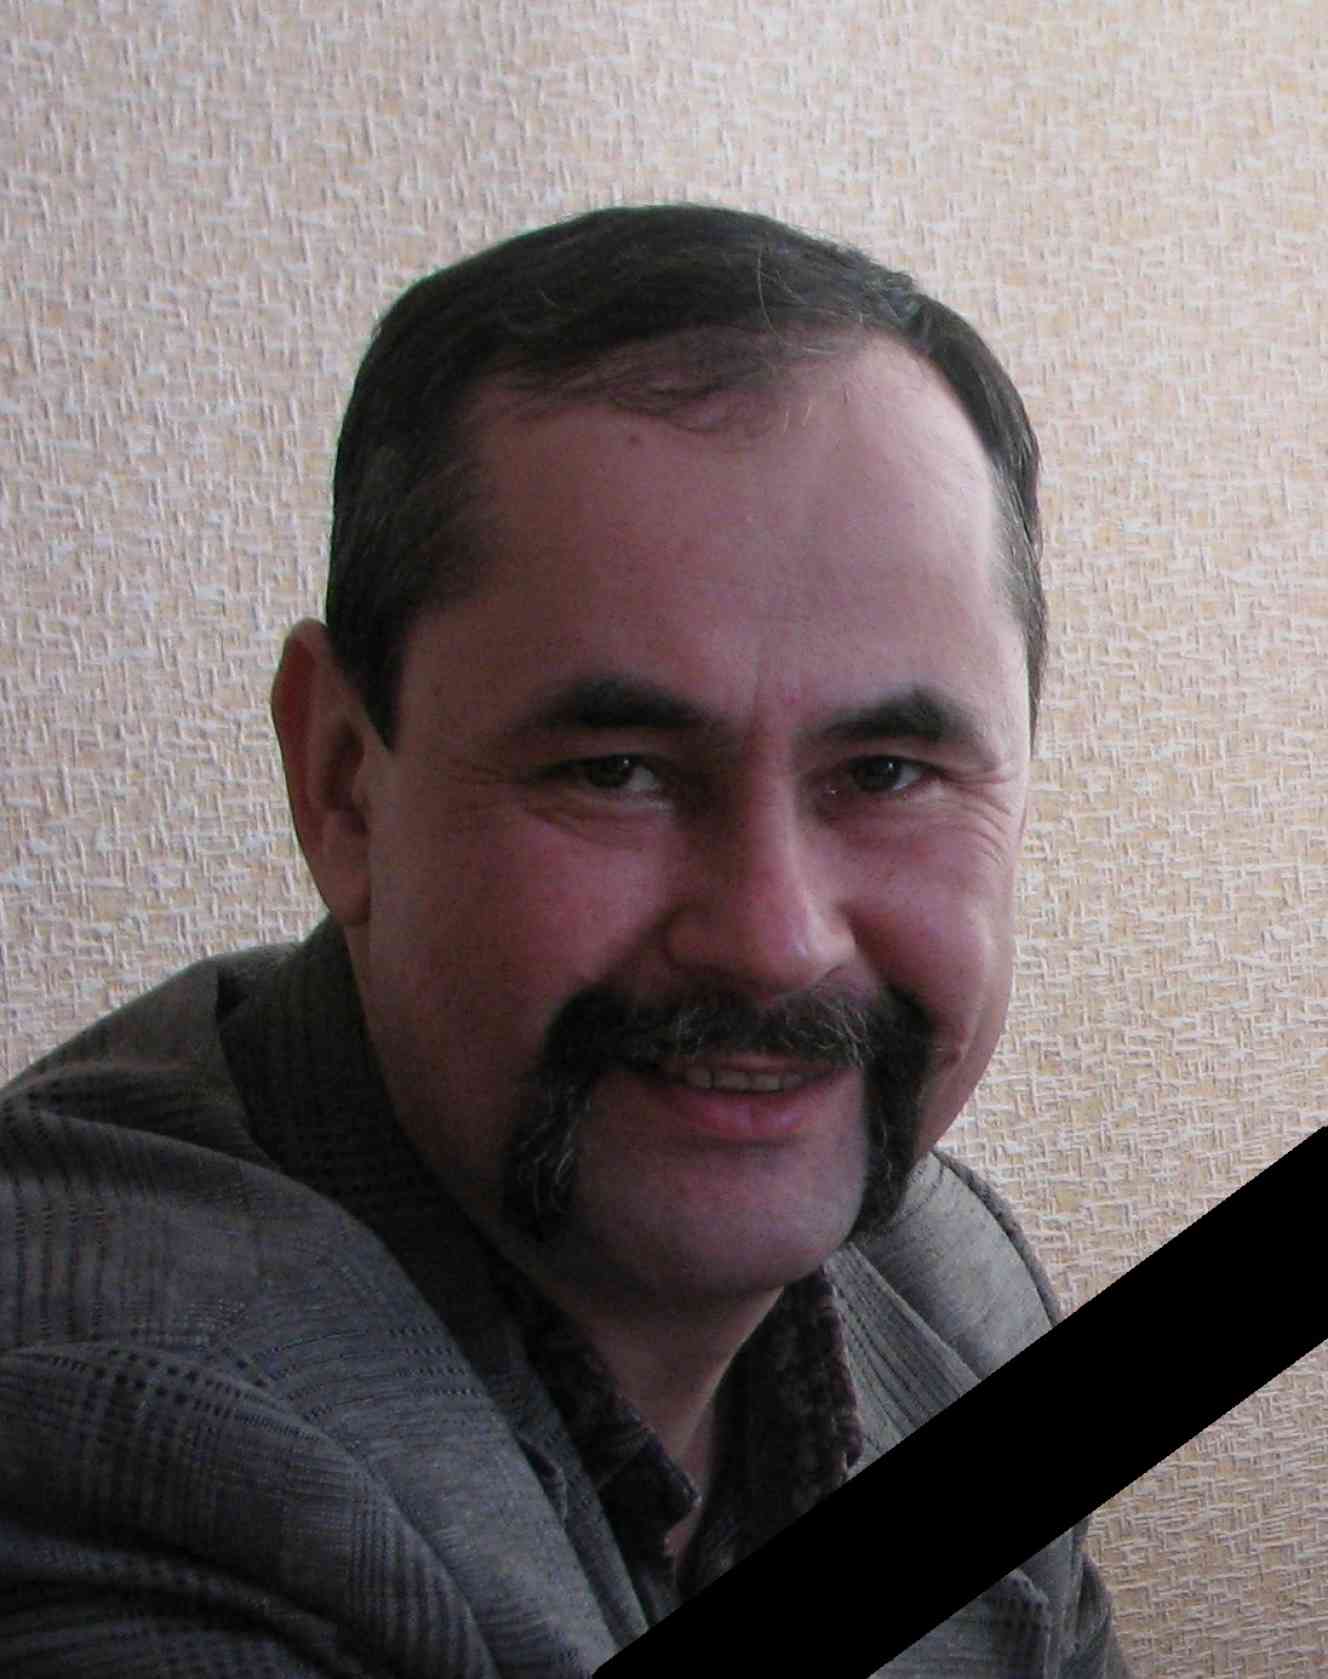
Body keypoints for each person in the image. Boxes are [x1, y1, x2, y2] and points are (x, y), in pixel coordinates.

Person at [0, 204, 1129, 1676]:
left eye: (888, 773)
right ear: (342, 782)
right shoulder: (100, 1437)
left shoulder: (950, 1280)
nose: (773, 940)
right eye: (616, 771)